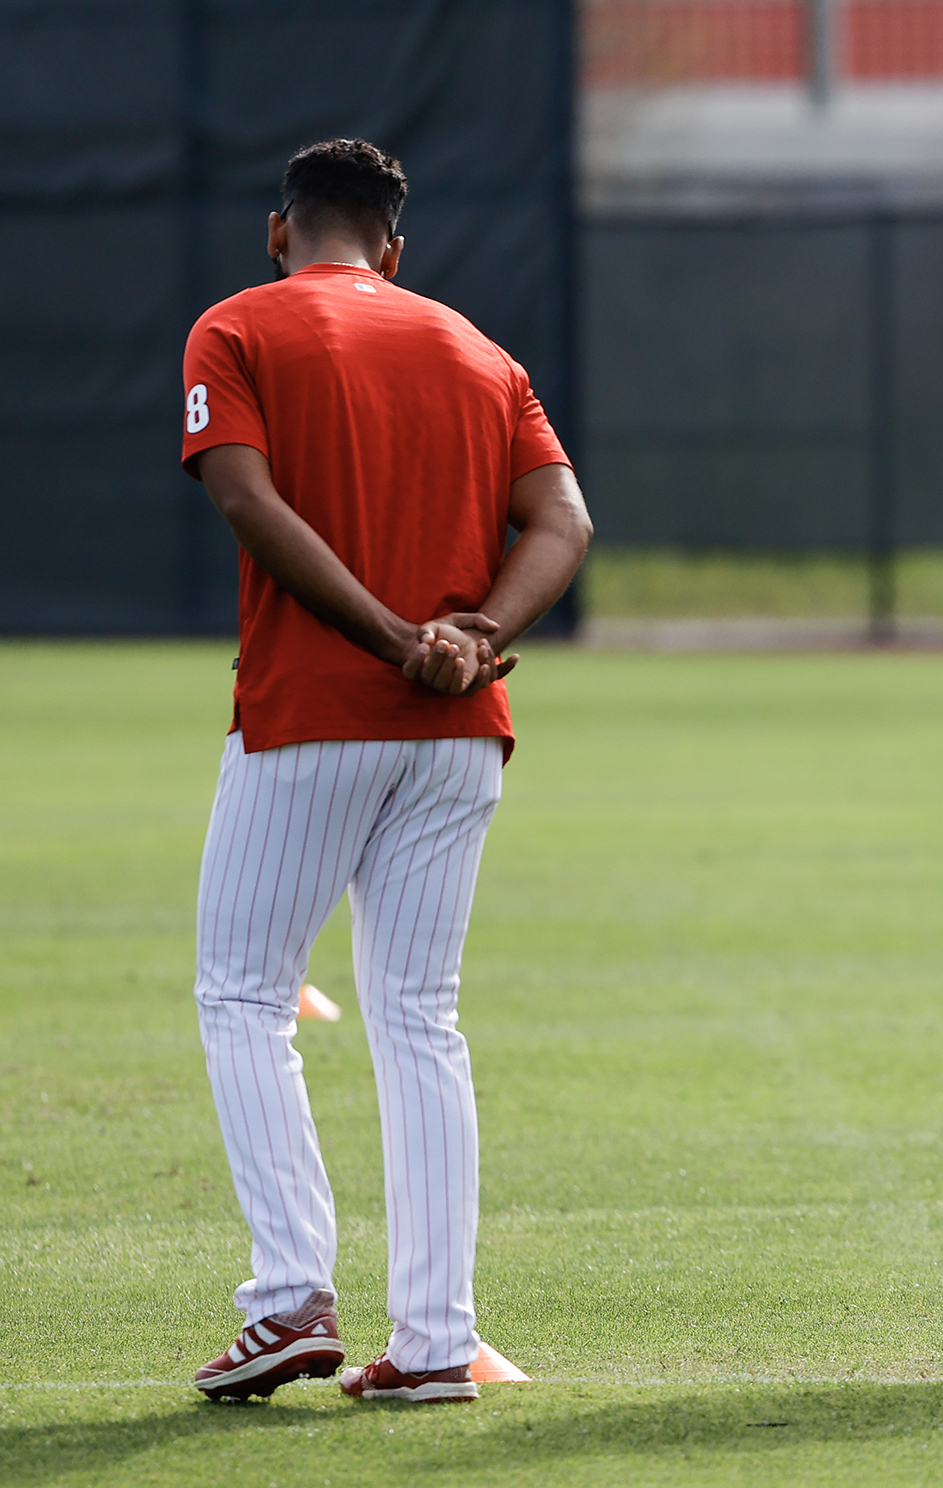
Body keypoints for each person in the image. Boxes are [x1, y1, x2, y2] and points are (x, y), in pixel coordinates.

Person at [181, 139, 591, 1403]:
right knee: (421, 1018)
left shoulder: (237, 328)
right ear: (396, 248)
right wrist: (474, 637)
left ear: (278, 230)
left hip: (314, 711)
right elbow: (565, 521)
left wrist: (392, 637)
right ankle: (431, 1344)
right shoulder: (478, 349)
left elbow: (246, 502)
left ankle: (292, 1296)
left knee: (244, 995)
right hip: (460, 735)